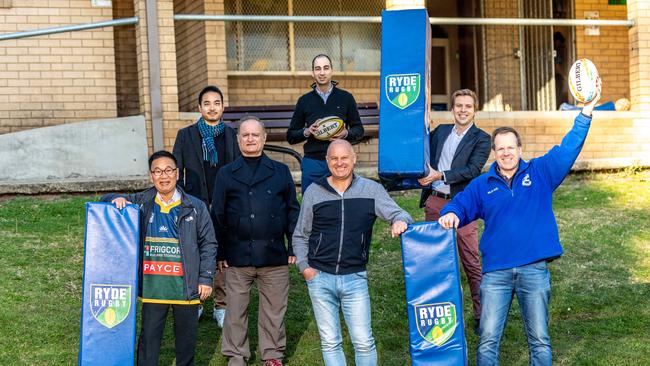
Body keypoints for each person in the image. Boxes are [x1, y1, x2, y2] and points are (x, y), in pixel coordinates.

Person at [439, 78, 602, 365]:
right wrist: (450, 213)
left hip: (533, 270)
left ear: (519, 149)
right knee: (488, 340)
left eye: (510, 147)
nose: (506, 153)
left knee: (539, 339)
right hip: (496, 273)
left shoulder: (540, 172)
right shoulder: (481, 183)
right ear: (494, 153)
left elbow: (568, 149)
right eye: (500, 149)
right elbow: (459, 204)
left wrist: (586, 111)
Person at [292, 139, 412, 366]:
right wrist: (305, 268)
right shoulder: (314, 192)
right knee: (330, 342)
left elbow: (402, 214)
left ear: (354, 159)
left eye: (344, 157)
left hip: (354, 278)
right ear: (327, 161)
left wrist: (399, 221)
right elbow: (300, 234)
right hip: (319, 277)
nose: (340, 163)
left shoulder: (372, 190)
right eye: (334, 158)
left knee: (364, 341)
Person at [101, 150, 217, 366]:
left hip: (186, 286)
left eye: (168, 170)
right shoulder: (140, 202)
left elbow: (209, 243)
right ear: (151, 176)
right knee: (148, 341)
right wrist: (115, 198)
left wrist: (206, 278)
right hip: (154, 287)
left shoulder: (196, 206)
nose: (163, 176)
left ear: (177, 173)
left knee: (186, 342)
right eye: (157, 171)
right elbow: (105, 200)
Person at [211, 117, 300, 366]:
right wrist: (220, 253)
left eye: (255, 135)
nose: (250, 139)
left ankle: (272, 354)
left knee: (273, 310)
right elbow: (217, 214)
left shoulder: (280, 172)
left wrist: (293, 245)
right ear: (238, 140)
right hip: (237, 255)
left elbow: (293, 211)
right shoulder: (226, 174)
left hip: (273, 254)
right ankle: (236, 355)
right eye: (245, 135)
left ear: (264, 138)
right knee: (235, 311)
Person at [417, 89, 491, 324]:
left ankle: (483, 317)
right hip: (435, 201)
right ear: (452, 109)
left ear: (474, 110)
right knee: (435, 262)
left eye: (467, 106)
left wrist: (441, 174)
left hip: (462, 206)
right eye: (458, 105)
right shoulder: (440, 132)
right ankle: (441, 316)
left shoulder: (481, 138)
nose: (462, 110)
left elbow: (472, 170)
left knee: (471, 263)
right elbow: (423, 155)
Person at [172, 85, 240, 326]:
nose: (212, 107)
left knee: (223, 253)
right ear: (200, 108)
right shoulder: (186, 135)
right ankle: (196, 302)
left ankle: (221, 305)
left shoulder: (232, 135)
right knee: (195, 251)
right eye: (207, 103)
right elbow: (176, 170)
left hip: (225, 203)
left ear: (223, 106)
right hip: (195, 202)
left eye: (217, 103)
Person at [286, 54, 365, 193]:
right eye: (318, 69)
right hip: (313, 161)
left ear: (331, 71)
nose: (322, 72)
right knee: (311, 206)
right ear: (313, 73)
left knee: (341, 204)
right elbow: (291, 136)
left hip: (339, 161)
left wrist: (345, 133)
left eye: (325, 68)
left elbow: (359, 130)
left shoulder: (346, 98)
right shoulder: (304, 101)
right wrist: (307, 131)